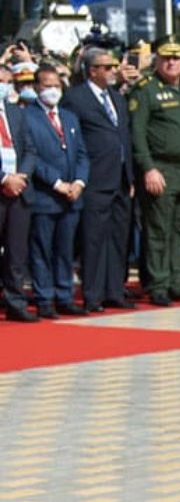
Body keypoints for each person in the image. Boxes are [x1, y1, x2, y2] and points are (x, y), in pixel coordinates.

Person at [130, 34, 180, 306]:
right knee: (159, 230)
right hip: (162, 168)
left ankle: (178, 281)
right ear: (157, 60)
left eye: (177, 58)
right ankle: (158, 284)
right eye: (166, 58)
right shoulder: (146, 89)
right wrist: (149, 168)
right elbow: (138, 132)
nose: (172, 63)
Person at [62, 47, 135, 313]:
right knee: (94, 238)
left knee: (118, 237)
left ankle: (114, 290)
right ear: (93, 70)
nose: (114, 71)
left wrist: (130, 175)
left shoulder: (116, 97)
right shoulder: (76, 98)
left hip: (120, 178)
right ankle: (93, 294)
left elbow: (124, 136)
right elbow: (72, 138)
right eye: (108, 67)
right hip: (95, 178)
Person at [23, 64, 89, 317]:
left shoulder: (69, 117)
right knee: (42, 249)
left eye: (56, 86)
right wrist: (56, 183)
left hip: (71, 197)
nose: (52, 90)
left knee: (65, 249)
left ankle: (64, 295)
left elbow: (82, 153)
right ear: (36, 87)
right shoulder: (27, 117)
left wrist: (79, 182)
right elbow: (32, 156)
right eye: (47, 85)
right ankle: (44, 298)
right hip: (45, 195)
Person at [0, 64, 37, 321]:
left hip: (20, 189)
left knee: (16, 251)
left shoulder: (15, 112)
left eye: (6, 81)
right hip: (3, 183)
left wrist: (21, 176)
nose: (3, 86)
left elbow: (30, 149)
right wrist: (4, 178)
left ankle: (16, 302)